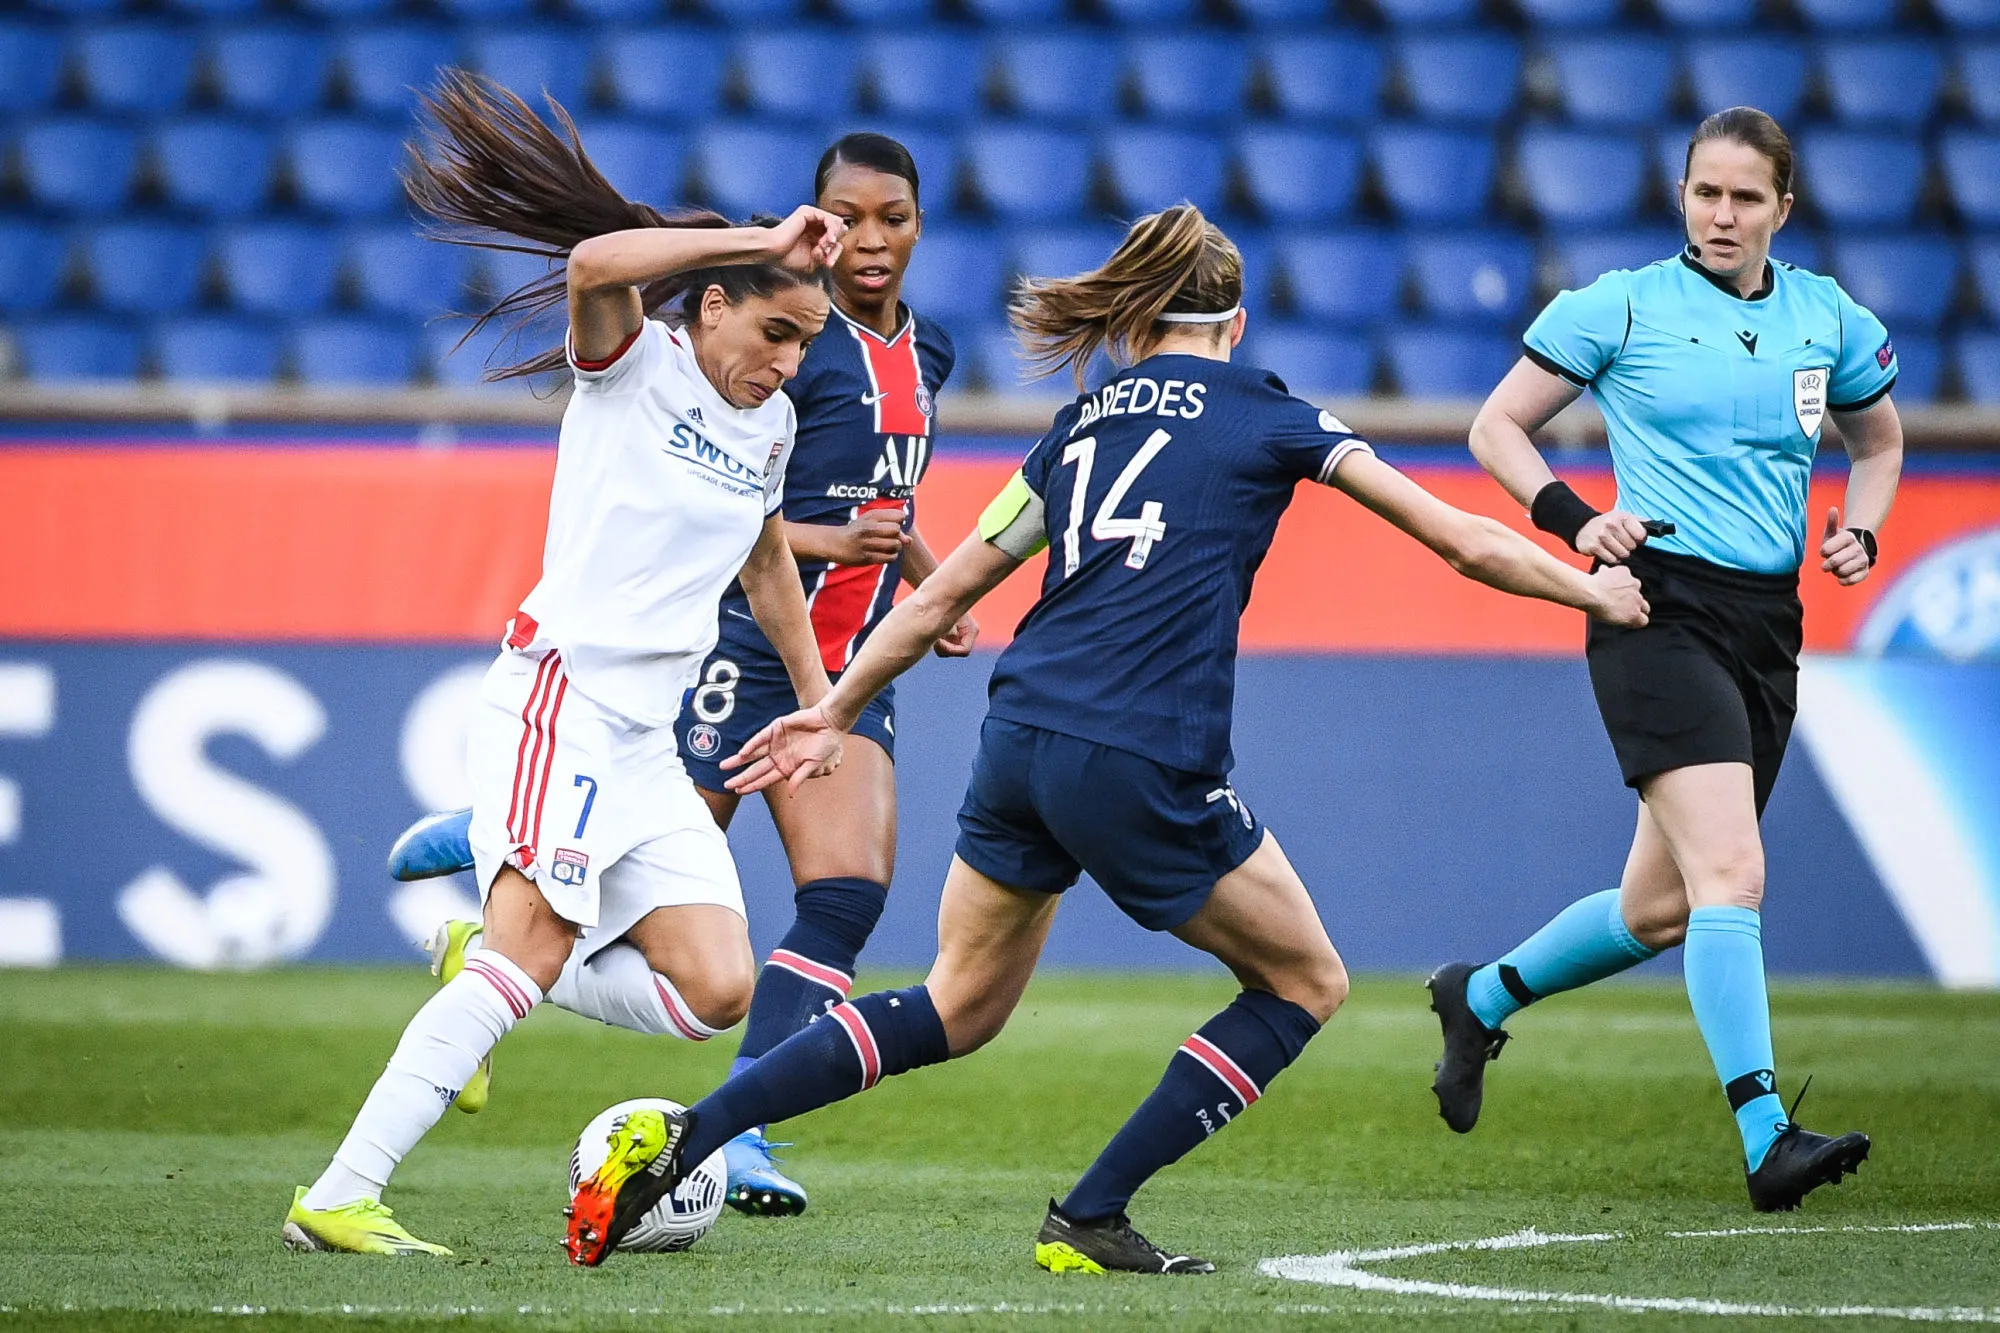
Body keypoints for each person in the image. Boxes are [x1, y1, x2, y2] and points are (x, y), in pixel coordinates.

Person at [562, 204, 1650, 1272]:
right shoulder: (1270, 414)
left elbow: (946, 592)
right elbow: (1458, 539)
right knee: (1304, 982)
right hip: (1140, 753)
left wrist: (835, 706)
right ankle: (1090, 1212)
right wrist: (1589, 592)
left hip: (1019, 740)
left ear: (1139, 321)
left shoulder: (1080, 425)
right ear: (1234, 320)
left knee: (957, 1003)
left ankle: (687, 1137)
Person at [281, 71, 845, 1256]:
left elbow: (765, 565)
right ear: (708, 307)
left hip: (647, 743)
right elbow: (593, 263)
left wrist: (819, 704)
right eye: (773, 330)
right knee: (531, 952)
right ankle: (340, 1191)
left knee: (716, 990)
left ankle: (467, 950)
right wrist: (761, 232)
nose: (787, 361)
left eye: (804, 343)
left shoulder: (772, 425)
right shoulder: (631, 362)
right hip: (562, 701)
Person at [384, 132, 973, 1217]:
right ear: (818, 222)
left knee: (841, 898)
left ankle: (741, 1128)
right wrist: (831, 554)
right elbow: (746, 525)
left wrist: (934, 589)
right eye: (853, 216)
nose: (874, 239)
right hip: (737, 654)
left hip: (849, 665)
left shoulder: (927, 349)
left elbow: (880, 492)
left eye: (894, 216)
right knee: (621, 884)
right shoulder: (792, 334)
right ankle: (491, 835)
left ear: (918, 223)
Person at [1426, 107, 1902, 1213]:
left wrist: (1863, 527)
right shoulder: (1623, 302)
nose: (1721, 215)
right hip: (1653, 608)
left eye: (1744, 197)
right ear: (1680, 196)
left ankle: (1479, 994)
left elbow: (1876, 440)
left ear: (1783, 205)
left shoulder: (1825, 316)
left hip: (1762, 625)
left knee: (1662, 909)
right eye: (1704, 193)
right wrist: (1574, 520)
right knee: (1731, 874)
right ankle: (1763, 1134)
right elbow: (1495, 427)